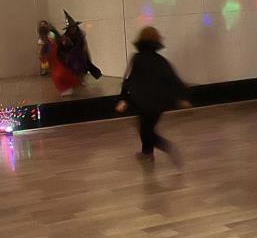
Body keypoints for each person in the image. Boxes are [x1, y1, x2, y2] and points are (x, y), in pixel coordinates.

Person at [116, 26, 189, 166]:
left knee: (146, 131)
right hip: (158, 103)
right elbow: (173, 80)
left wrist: (123, 99)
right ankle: (147, 153)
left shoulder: (136, 59)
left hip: (141, 102)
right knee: (146, 129)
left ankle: (168, 148)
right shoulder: (161, 61)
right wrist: (182, 98)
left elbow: (128, 80)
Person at [39, 20, 81, 96]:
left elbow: (56, 41)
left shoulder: (50, 36)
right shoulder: (45, 41)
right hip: (53, 59)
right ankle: (66, 88)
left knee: (59, 73)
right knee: (58, 74)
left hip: (56, 58)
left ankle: (67, 88)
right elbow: (43, 53)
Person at [63, 11, 103, 80]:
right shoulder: (66, 37)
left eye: (74, 27)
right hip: (72, 58)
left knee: (83, 67)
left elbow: (82, 46)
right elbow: (65, 49)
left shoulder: (79, 36)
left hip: (80, 57)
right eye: (71, 28)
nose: (73, 29)